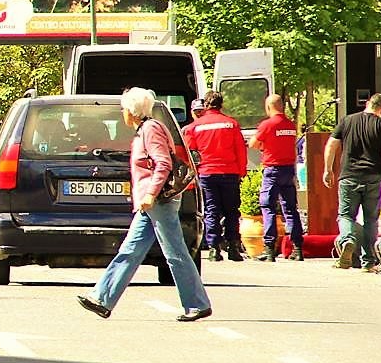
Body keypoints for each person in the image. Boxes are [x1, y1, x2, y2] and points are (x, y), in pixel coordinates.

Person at [78, 87, 212, 322]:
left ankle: (197, 304)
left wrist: (150, 194)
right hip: (150, 204)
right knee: (130, 251)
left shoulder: (150, 130)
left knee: (175, 252)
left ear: (132, 111)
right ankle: (102, 298)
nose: (122, 113)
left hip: (159, 202)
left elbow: (162, 164)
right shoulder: (145, 129)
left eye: (123, 109)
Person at [322, 93, 381, 273]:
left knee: (345, 215)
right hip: (373, 178)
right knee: (370, 220)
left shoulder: (347, 121)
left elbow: (331, 145)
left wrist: (328, 169)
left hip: (349, 176)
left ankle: (348, 240)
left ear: (368, 104)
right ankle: (368, 262)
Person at [182, 90, 248, 262]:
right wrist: (241, 171)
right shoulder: (231, 124)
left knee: (211, 210)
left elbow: (190, 154)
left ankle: (213, 249)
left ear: (205, 105)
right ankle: (233, 247)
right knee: (232, 211)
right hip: (230, 172)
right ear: (221, 104)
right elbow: (240, 150)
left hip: (207, 173)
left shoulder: (194, 127)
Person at [250, 94, 305, 261]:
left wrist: (263, 145)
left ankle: (269, 249)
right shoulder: (290, 124)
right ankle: (297, 248)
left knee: (268, 208)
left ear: (268, 107)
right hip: (288, 170)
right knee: (290, 209)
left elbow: (253, 143)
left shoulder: (267, 125)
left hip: (272, 170)